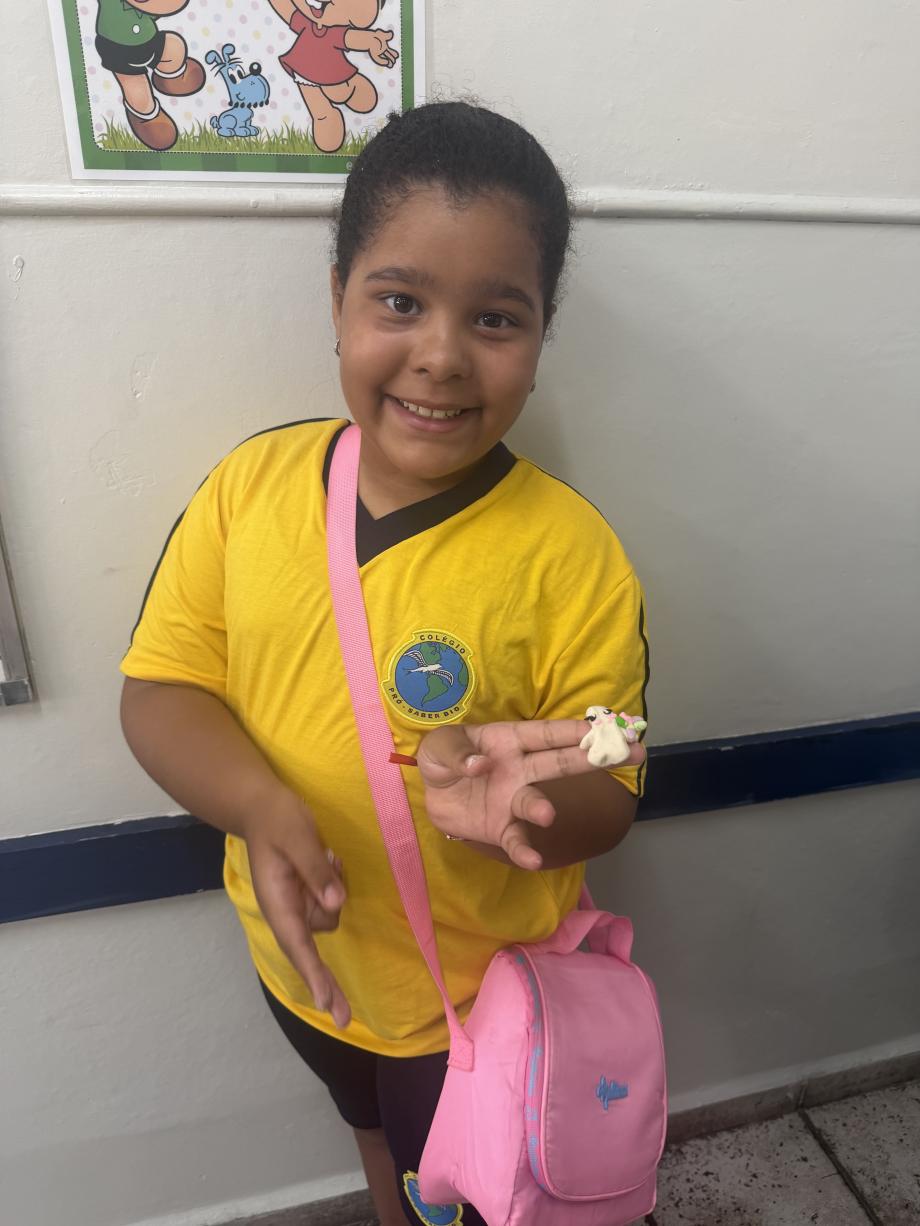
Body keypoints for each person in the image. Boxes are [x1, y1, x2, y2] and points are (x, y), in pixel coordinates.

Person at [119, 101, 650, 1226]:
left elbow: (613, 774)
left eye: (494, 318)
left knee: (481, 1193)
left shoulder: (574, 555)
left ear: (541, 334)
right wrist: (258, 805)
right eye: (399, 301)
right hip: (306, 965)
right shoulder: (250, 491)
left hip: (479, 1003)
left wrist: (530, 806)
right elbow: (162, 690)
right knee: (381, 1150)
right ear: (338, 301)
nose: (441, 356)